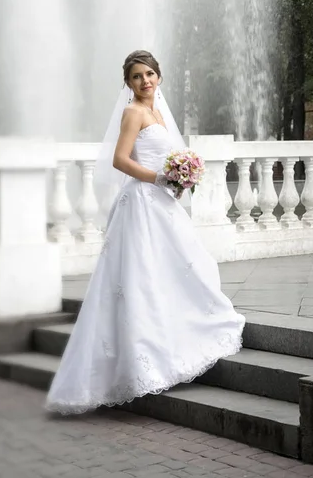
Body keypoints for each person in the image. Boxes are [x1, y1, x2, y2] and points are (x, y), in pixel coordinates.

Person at [46, 50, 245, 414]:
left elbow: (166, 158)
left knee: (180, 266)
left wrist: (182, 178)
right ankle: (143, 359)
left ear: (159, 77)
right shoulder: (133, 112)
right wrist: (158, 177)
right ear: (128, 83)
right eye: (137, 76)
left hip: (163, 202)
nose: (145, 81)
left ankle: (176, 333)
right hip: (141, 201)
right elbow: (120, 159)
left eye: (150, 74)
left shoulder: (160, 114)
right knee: (141, 275)